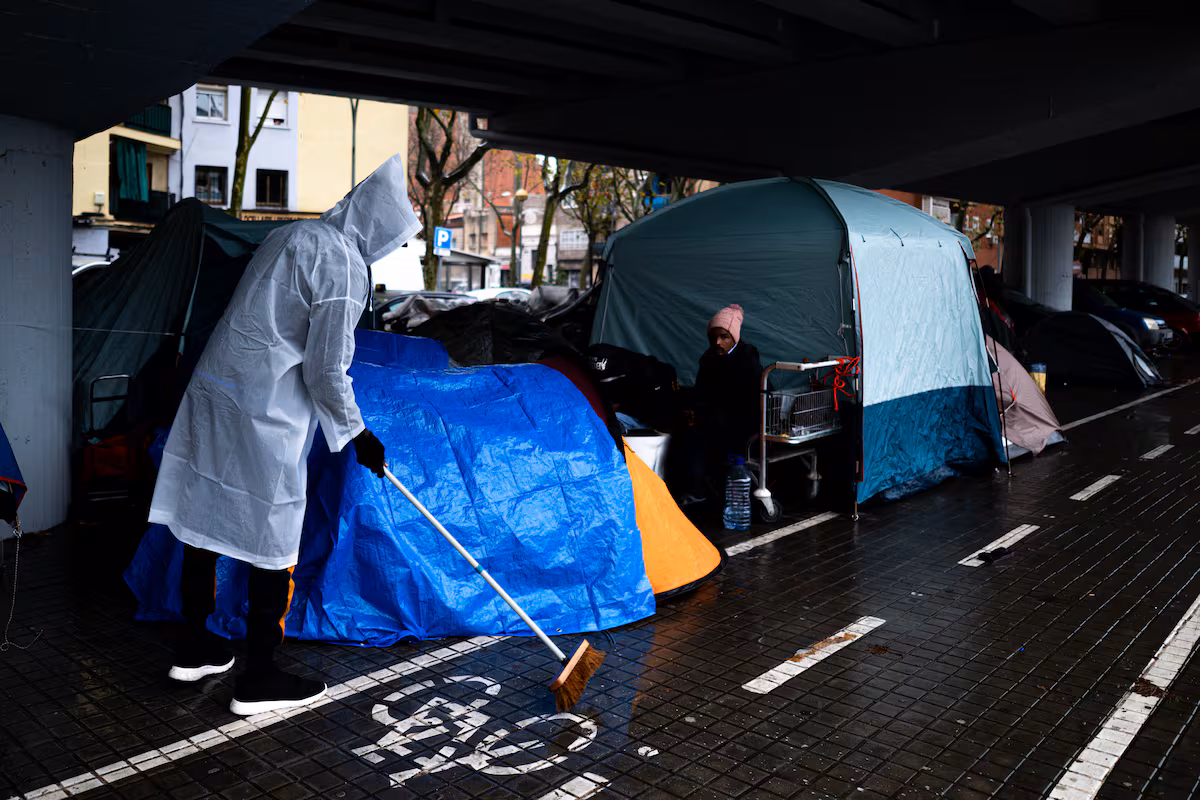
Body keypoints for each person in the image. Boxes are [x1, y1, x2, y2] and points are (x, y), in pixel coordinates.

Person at [148, 154, 420, 715]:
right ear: (379, 229)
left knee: (202, 520)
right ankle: (260, 676)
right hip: (266, 415)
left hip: (215, 395)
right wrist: (357, 434)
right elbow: (325, 370)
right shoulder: (345, 265)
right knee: (272, 541)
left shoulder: (293, 234)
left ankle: (194, 646)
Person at [681, 304, 763, 502]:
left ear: (734, 337)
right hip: (715, 416)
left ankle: (705, 488)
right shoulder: (708, 358)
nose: (718, 342)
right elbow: (700, 391)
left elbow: (749, 397)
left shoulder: (747, 357)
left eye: (724, 337)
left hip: (742, 420)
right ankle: (697, 487)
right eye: (713, 337)